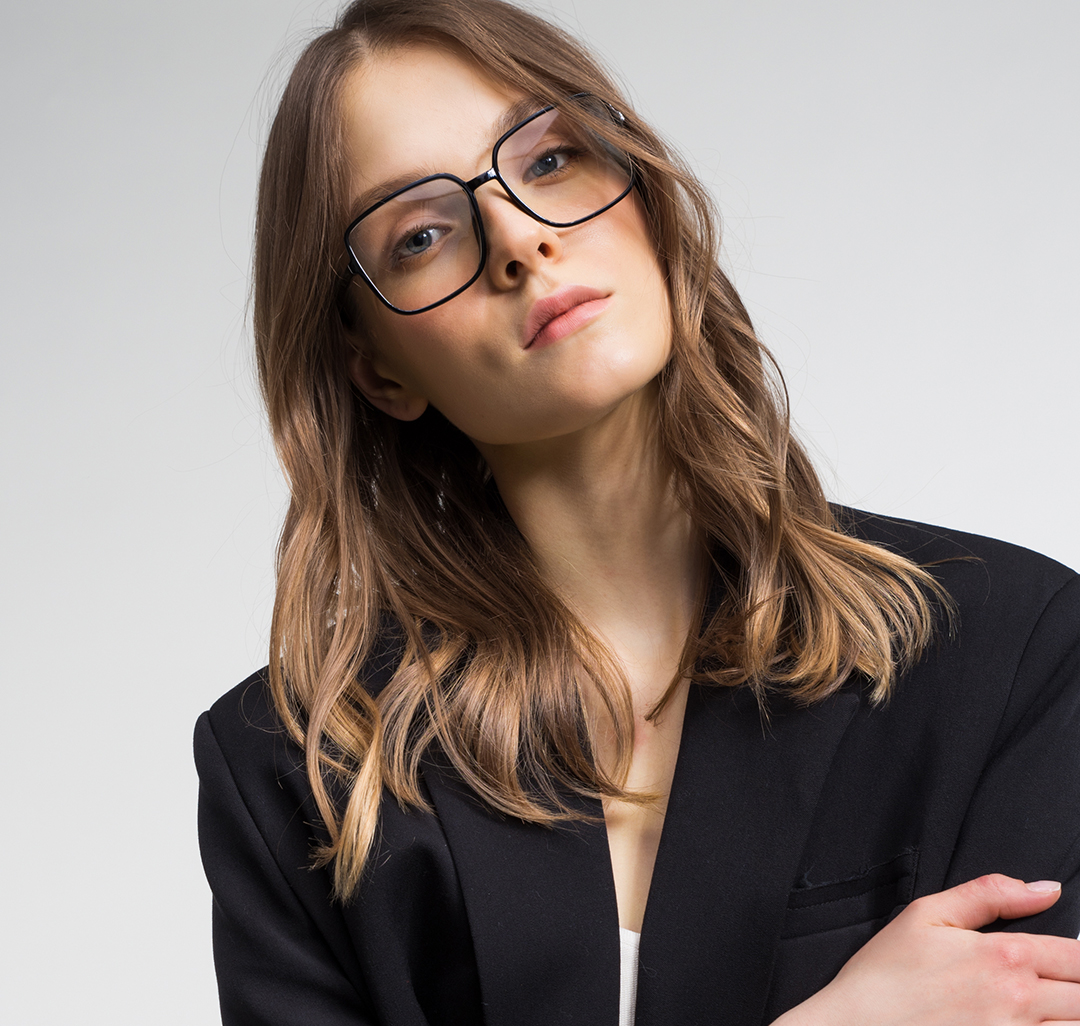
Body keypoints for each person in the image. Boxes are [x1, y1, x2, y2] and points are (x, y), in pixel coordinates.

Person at [194, 1, 1080, 1023]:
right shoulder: (295, 772)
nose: (520, 239)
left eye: (550, 159)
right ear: (378, 369)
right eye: (422, 235)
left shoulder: (1013, 651)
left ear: (643, 195)